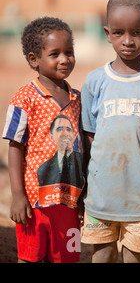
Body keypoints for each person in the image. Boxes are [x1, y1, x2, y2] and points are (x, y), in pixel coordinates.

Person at [80, 0, 140, 263]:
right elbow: (88, 137)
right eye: (119, 32)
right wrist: (84, 185)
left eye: (137, 33)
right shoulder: (95, 81)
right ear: (107, 33)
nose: (128, 41)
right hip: (101, 197)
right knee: (103, 256)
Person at [2, 17, 85, 263]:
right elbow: (15, 147)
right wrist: (18, 195)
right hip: (34, 200)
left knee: (66, 258)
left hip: (69, 202)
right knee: (30, 257)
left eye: (69, 52)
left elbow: (84, 148)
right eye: (55, 54)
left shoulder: (78, 98)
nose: (64, 59)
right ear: (34, 59)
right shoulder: (25, 97)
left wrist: (85, 193)